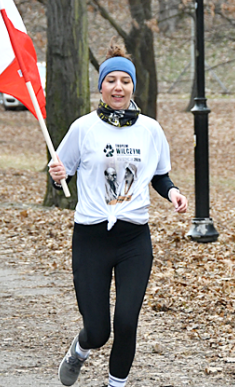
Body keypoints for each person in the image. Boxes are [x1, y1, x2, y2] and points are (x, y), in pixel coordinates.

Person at [48, 45, 188, 387]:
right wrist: (56, 177)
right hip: (91, 238)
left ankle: (116, 384)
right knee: (98, 331)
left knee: (127, 321)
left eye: (125, 81)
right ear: (101, 87)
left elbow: (159, 175)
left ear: (133, 88)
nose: (118, 87)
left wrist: (173, 193)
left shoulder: (151, 130)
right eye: (111, 80)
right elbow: (61, 175)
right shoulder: (83, 128)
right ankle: (79, 351)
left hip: (133, 239)